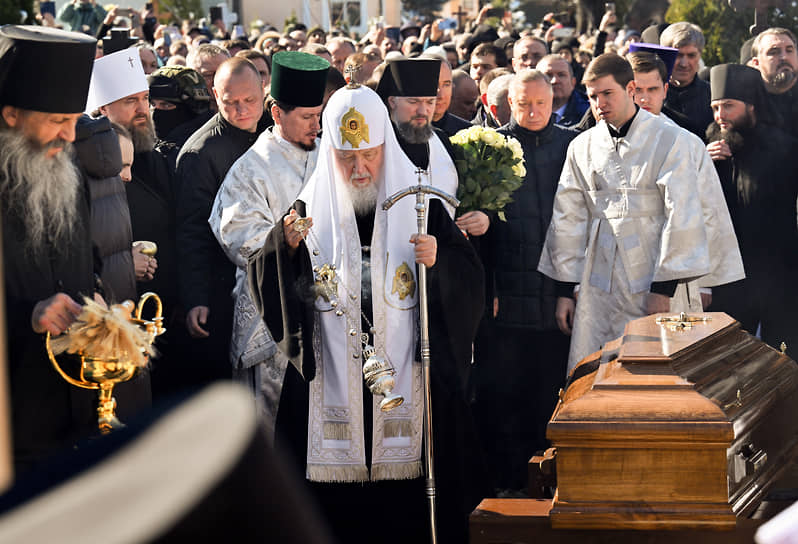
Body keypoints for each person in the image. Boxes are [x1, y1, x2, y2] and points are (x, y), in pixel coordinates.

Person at [247, 82, 488, 544]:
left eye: (370, 156)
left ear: (386, 147)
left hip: (409, 378)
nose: (359, 170)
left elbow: (470, 283)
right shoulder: (306, 210)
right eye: (346, 158)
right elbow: (267, 277)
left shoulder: (421, 207)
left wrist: (439, 263)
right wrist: (284, 246)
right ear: (329, 153)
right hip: (332, 377)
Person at [538, 54, 744, 373]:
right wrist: (566, 289)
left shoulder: (674, 140)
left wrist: (664, 289)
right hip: (600, 281)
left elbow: (685, 216)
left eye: (608, 94)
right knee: (600, 369)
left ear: (630, 88)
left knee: (665, 371)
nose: (599, 103)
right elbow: (569, 217)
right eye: (592, 96)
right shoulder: (582, 146)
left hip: (658, 276)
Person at [209, 52, 329, 440]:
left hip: (326, 314)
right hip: (272, 316)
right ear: (277, 114)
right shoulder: (251, 168)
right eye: (307, 117)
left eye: (319, 114)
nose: (317, 124)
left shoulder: (330, 155)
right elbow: (238, 238)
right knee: (270, 432)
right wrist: (286, 240)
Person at [0, 25, 99, 473]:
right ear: (11, 115)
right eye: (58, 122)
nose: (70, 136)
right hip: (14, 421)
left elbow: (83, 258)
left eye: (75, 121)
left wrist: (97, 304)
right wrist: (29, 316)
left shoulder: (65, 170)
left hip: (76, 405)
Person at [477, 69, 577, 492]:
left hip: (556, 296)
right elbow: (478, 230)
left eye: (541, 102)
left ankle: (552, 480)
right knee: (506, 396)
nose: (533, 111)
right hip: (507, 300)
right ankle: (509, 482)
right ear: (507, 104)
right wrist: (490, 288)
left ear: (553, 99)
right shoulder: (490, 149)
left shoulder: (572, 145)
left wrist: (566, 291)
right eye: (524, 104)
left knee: (552, 395)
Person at [87, 46, 181, 394]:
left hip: (167, 317)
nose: (144, 109)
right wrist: (126, 261)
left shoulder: (158, 159)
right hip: (117, 325)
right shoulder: (86, 172)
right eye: (130, 101)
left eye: (145, 98)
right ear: (102, 110)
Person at [175, 56, 273, 388]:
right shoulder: (201, 153)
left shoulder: (273, 131)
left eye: (250, 100)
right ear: (216, 96)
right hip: (223, 288)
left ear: (264, 89)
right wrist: (196, 297)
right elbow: (192, 232)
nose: (242, 110)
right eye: (231, 103)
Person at [706, 63, 798, 352]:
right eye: (715, 108)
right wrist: (702, 163)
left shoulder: (785, 148)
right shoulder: (708, 146)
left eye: (728, 106)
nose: (720, 116)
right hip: (729, 278)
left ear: (751, 106)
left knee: (783, 359)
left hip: (778, 276)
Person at [377, 58, 489, 237]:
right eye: (414, 102)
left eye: (430, 102)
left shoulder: (442, 142)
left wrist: (483, 217)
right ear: (392, 102)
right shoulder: (375, 146)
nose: (423, 111)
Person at [626, 43, 705, 138]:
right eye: (637, 90)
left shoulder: (683, 140)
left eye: (652, 89)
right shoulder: (606, 134)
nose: (645, 99)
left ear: (665, 90)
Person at [659, 22, 713, 134]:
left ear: (700, 56)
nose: (684, 63)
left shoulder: (712, 96)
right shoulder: (650, 94)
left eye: (691, 55)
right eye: (678, 55)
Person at [750, 27, 798, 138]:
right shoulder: (747, 104)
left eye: (789, 50)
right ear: (756, 63)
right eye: (774, 52)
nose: (784, 57)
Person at [425, 52, 472, 136]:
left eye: (446, 84)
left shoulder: (468, 133)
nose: (441, 95)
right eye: (433, 85)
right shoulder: (401, 132)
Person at [536, 54, 589, 127]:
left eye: (561, 75)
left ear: (573, 82)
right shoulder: (524, 112)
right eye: (548, 75)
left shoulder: (588, 114)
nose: (555, 81)